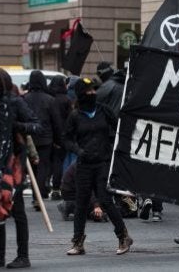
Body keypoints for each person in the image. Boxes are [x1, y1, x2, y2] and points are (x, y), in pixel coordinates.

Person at [0, 68, 41, 269]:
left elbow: (37, 125)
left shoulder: (15, 102)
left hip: (14, 164)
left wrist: (18, 126)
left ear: (1, 82)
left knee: (17, 209)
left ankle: (23, 256)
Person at [64, 78, 133, 256]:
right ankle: (78, 242)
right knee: (81, 203)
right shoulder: (75, 116)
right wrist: (78, 151)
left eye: (94, 90)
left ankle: (123, 236)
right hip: (84, 165)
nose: (93, 94)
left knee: (105, 200)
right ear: (81, 94)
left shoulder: (104, 111)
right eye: (88, 91)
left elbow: (119, 127)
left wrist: (112, 146)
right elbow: (66, 139)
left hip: (102, 163)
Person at [23, 70, 62, 205]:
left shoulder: (25, 98)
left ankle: (36, 195)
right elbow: (56, 122)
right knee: (43, 167)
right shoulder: (50, 99)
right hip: (46, 138)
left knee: (33, 168)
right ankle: (38, 196)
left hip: (29, 137)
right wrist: (58, 140)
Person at [49, 75, 72, 202]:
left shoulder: (50, 98)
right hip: (63, 135)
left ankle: (50, 186)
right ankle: (59, 188)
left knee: (50, 163)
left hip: (49, 135)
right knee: (60, 162)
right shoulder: (66, 100)